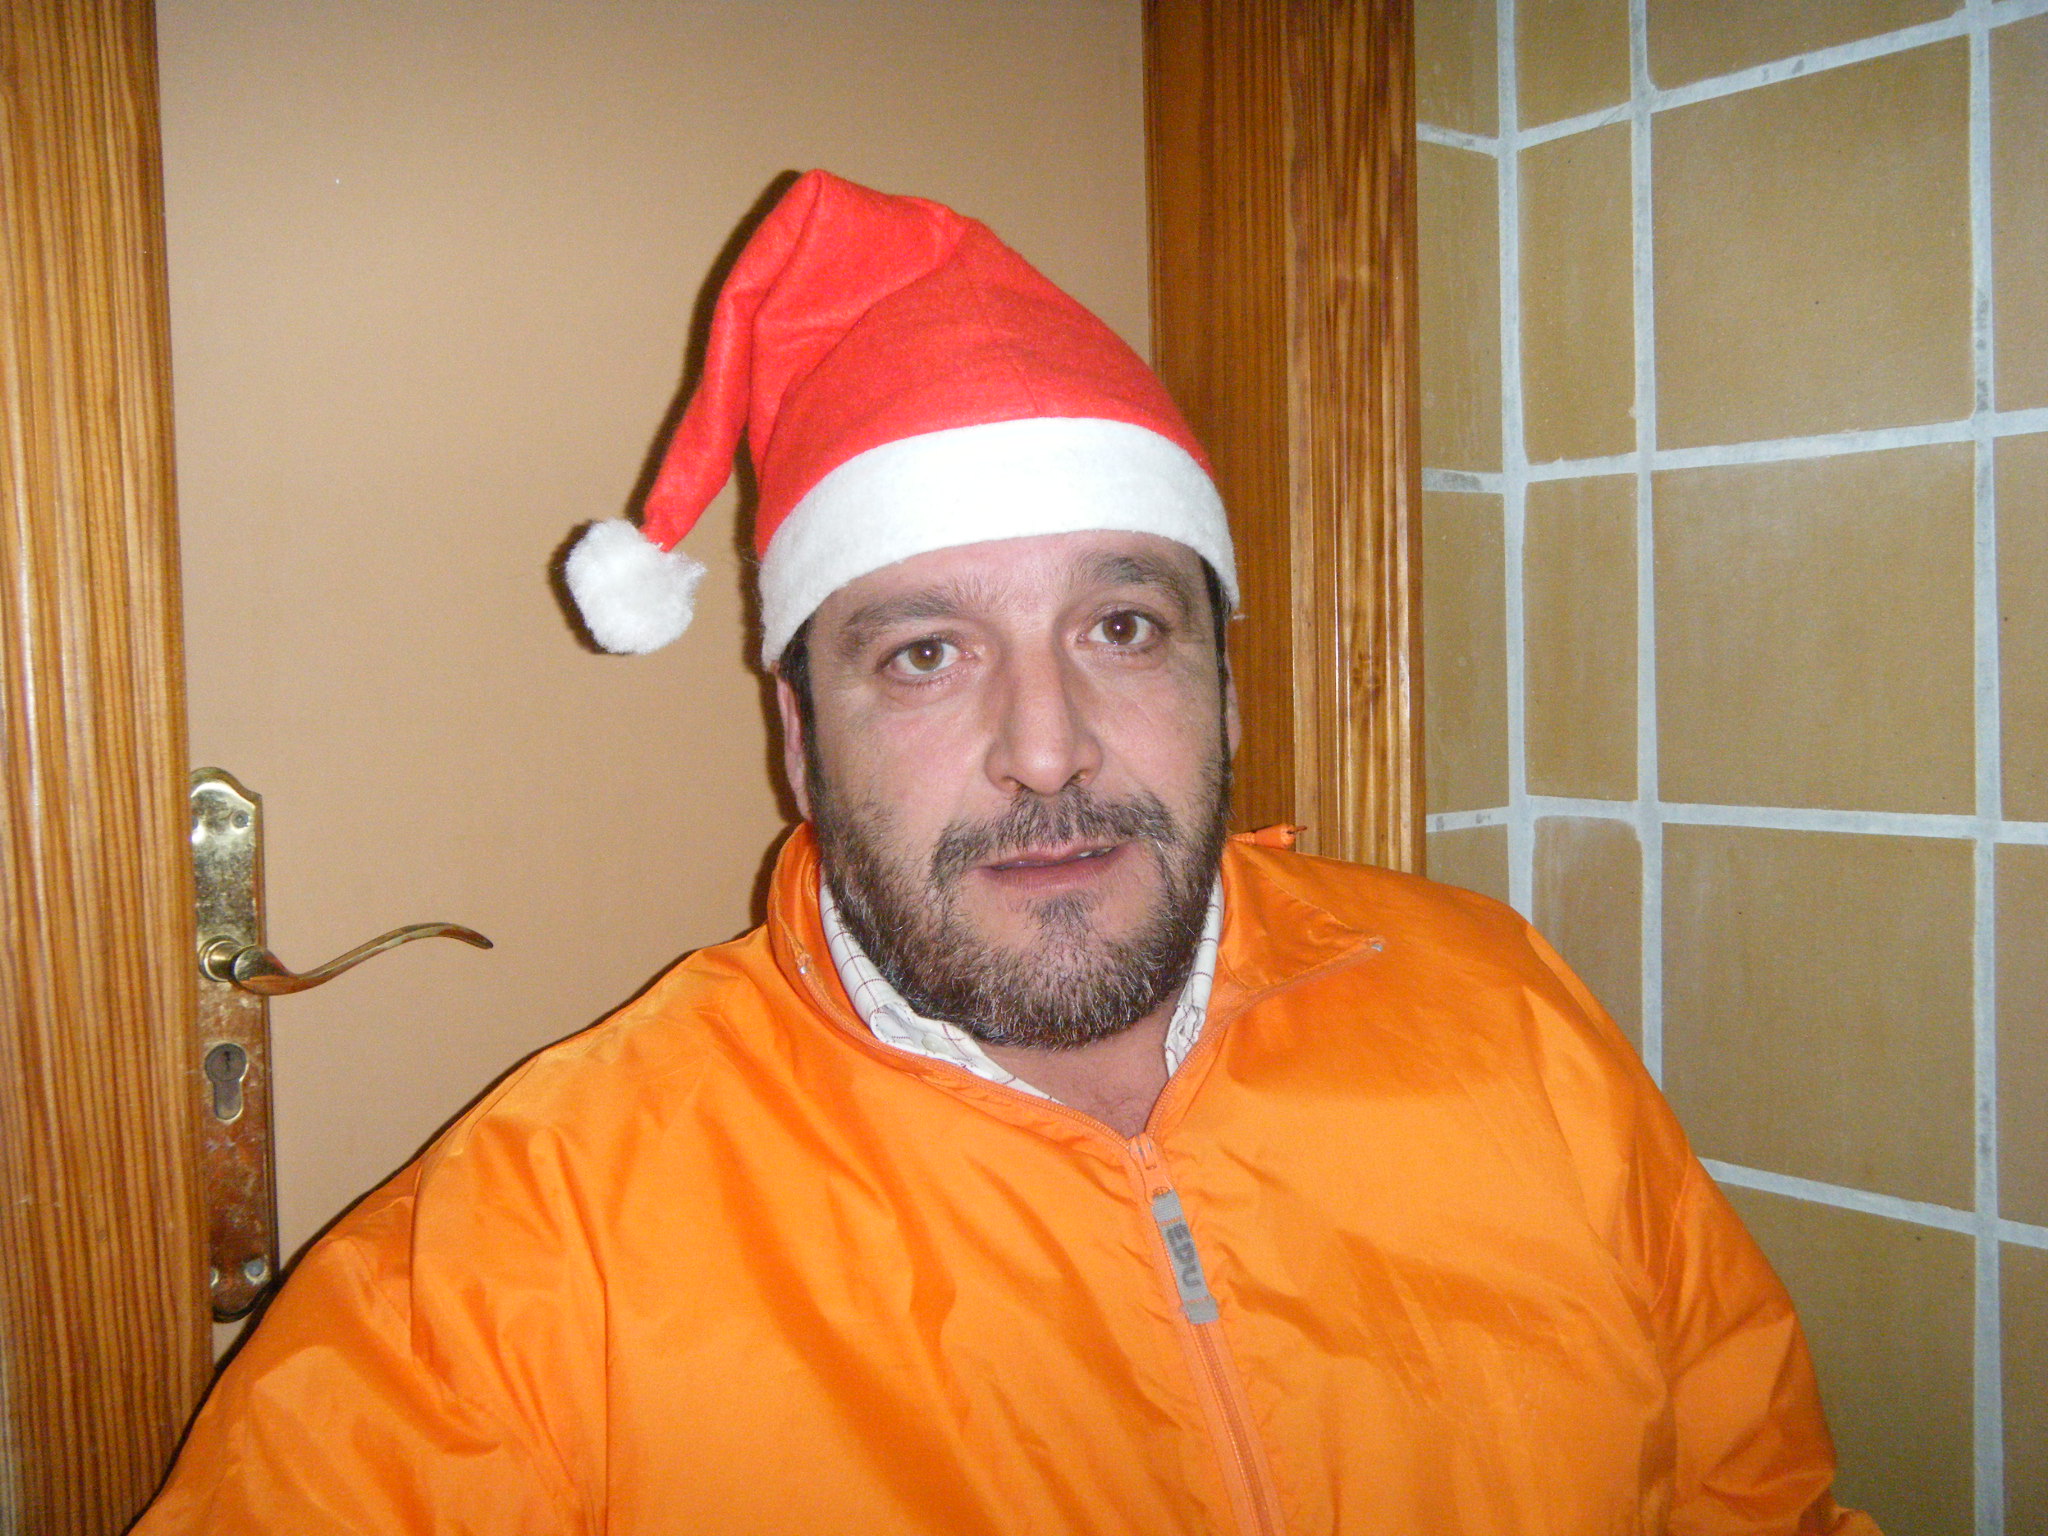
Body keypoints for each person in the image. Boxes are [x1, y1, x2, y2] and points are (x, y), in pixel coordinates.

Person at [136, 171, 1876, 1534]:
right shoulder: (535, 1239)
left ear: (1223, 680)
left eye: (1122, 627)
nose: (1047, 748)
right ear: (796, 735)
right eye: (923, 653)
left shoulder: (1499, 1010)